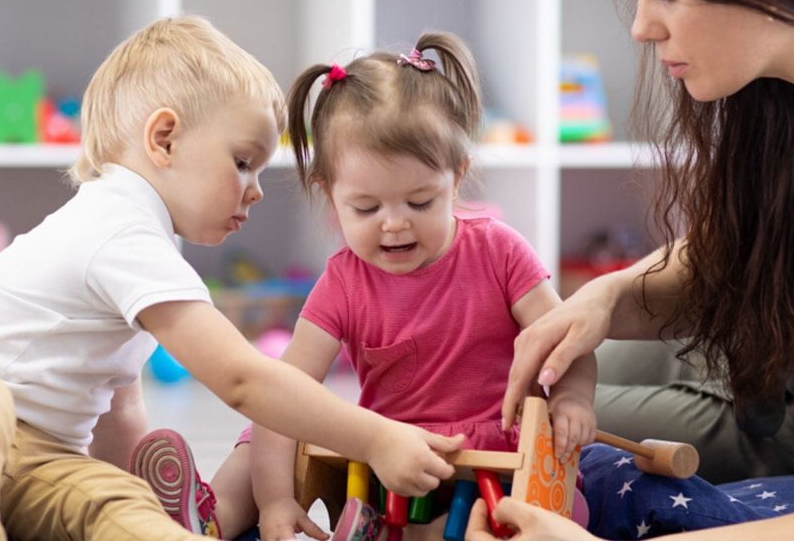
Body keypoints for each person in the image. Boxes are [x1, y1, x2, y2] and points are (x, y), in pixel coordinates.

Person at [0, 16, 463, 541]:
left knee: (119, 505)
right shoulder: (115, 223)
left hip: (31, 464)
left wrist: (141, 495)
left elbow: (121, 410)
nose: (254, 191)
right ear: (164, 139)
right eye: (243, 163)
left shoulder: (149, 249)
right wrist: (376, 437)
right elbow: (242, 379)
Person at [493, 0, 794, 539]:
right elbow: (743, 251)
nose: (641, 27)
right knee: (498, 379)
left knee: (506, 428)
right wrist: (607, 296)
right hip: (764, 357)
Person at [242, 31, 598, 541]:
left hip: (502, 463)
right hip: (398, 470)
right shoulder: (343, 282)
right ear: (329, 194)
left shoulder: (498, 250)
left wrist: (573, 399)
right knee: (247, 443)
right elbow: (280, 398)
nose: (395, 224)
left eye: (421, 202)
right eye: (366, 209)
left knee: (567, 516)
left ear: (457, 176)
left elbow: (569, 340)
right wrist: (275, 501)